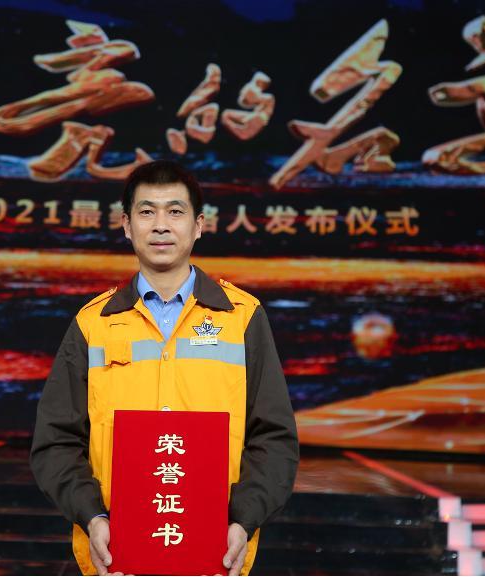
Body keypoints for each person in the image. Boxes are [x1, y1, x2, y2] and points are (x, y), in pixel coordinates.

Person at [30, 160, 299, 576]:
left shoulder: (242, 317)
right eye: (146, 212)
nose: (160, 226)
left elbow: (274, 437)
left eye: (175, 211)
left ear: (198, 225)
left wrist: (242, 520)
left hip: (216, 555)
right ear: (126, 225)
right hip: (117, 556)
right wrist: (93, 517)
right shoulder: (92, 323)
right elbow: (56, 441)